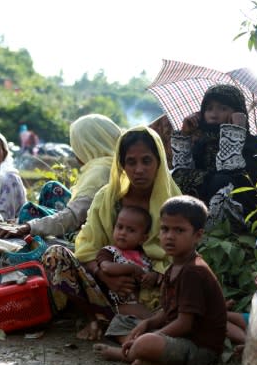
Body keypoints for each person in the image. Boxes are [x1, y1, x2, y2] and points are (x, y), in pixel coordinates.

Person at [42, 126, 181, 341]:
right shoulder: (107, 199)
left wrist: (159, 273)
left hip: (155, 289)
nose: (139, 169)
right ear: (121, 165)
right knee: (55, 255)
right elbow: (87, 248)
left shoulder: (172, 202)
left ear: (159, 162)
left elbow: (183, 251)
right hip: (106, 288)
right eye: (131, 162)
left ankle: (136, 326)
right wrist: (104, 275)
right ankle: (95, 318)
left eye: (146, 161)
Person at [94, 196, 228, 365]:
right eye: (165, 229)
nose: (170, 236)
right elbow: (169, 310)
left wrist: (152, 334)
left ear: (198, 235)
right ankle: (151, 360)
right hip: (179, 338)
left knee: (147, 342)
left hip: (199, 349)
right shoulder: (175, 266)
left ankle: (126, 354)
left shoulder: (193, 272)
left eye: (179, 230)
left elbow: (185, 324)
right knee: (122, 322)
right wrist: (148, 324)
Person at [0, 114, 121, 240]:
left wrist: (27, 227)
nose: (74, 151)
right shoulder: (113, 163)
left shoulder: (100, 172)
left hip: (86, 232)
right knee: (52, 188)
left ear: (87, 146)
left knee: (28, 212)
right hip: (83, 218)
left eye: (76, 145)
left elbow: (74, 217)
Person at [170, 84, 257, 230]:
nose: (214, 113)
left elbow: (229, 174)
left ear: (238, 113)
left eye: (223, 108)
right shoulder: (203, 142)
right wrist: (185, 135)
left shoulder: (253, 144)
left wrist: (235, 132)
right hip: (200, 208)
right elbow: (181, 173)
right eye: (209, 108)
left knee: (222, 180)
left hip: (242, 213)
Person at [96, 205, 160, 319]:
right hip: (121, 304)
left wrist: (153, 276)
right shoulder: (109, 251)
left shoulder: (145, 256)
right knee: (148, 317)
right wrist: (132, 268)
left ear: (143, 238)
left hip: (146, 300)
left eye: (131, 230)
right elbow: (106, 267)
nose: (123, 233)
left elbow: (152, 273)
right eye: (120, 227)